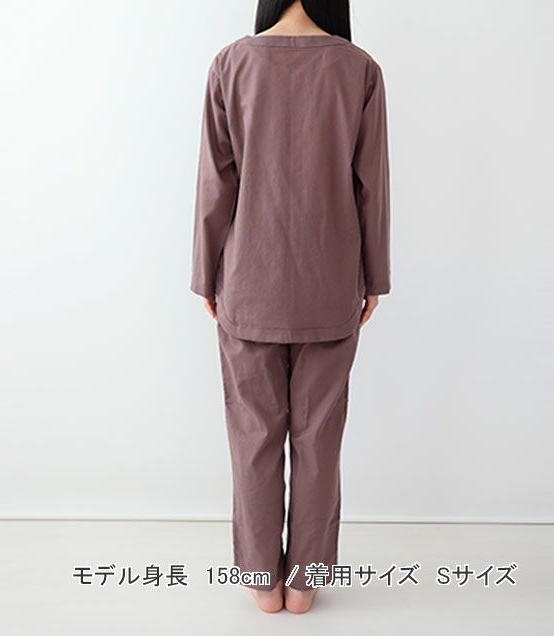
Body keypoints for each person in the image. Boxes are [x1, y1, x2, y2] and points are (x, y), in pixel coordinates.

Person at [190, 0, 391, 614]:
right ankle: (304, 583)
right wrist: (375, 277)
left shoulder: (231, 64)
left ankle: (262, 581)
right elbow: (372, 185)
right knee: (318, 437)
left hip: (248, 282)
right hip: (331, 282)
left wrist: (205, 274)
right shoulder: (358, 69)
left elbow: (216, 182)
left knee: (253, 436)